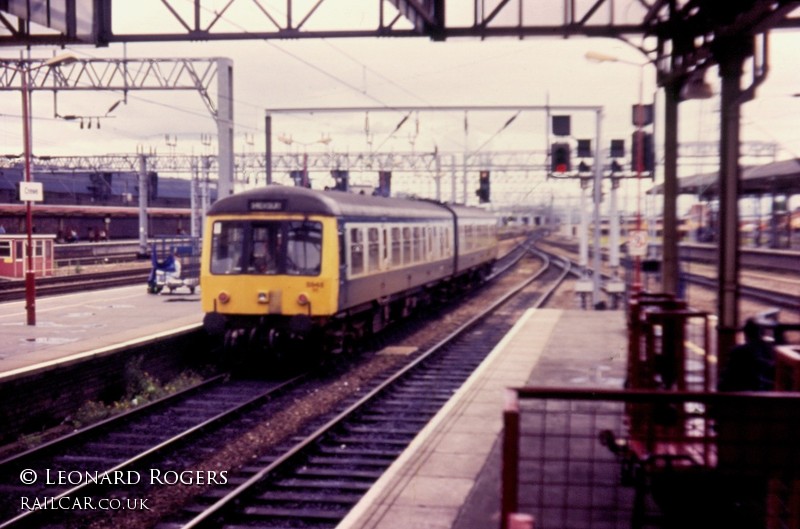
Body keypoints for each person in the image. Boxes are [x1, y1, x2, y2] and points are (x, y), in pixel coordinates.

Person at [717, 318, 775, 391]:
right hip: (763, 389)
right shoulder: (769, 350)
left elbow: (726, 377)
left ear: (745, 334)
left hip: (743, 391)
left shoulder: (738, 351)